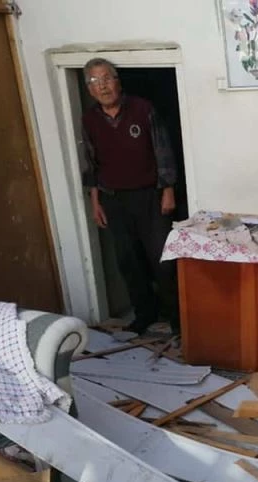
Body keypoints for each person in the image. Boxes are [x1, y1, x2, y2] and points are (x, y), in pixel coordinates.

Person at [81, 58, 179, 336]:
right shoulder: (89, 120)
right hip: (114, 200)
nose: (102, 86)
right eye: (95, 81)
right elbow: (91, 163)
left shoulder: (142, 109)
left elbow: (163, 150)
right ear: (89, 89)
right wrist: (95, 202)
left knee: (163, 261)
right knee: (128, 262)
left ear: (118, 81)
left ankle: (178, 319)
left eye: (107, 78)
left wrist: (168, 190)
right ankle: (144, 315)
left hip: (150, 197)